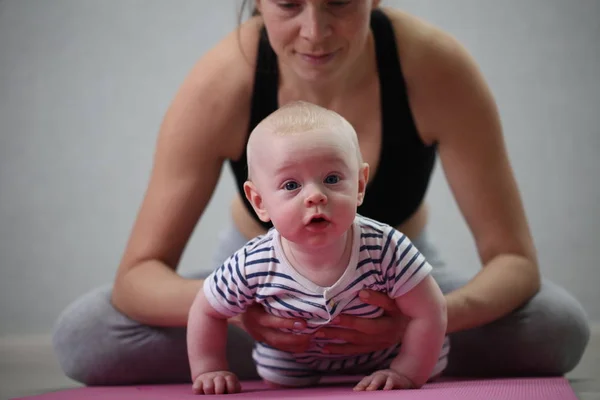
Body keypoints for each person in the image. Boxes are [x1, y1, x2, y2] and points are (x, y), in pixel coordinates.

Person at [52, 1, 590, 386]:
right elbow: (137, 276)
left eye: (339, 1)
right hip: (267, 293)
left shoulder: (435, 68)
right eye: (288, 4)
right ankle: (300, 357)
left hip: (398, 283)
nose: (315, 30)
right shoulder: (221, 83)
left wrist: (420, 319)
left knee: (557, 327)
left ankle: (398, 351)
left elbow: (514, 261)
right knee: (85, 336)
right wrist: (240, 316)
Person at [187, 101, 448, 394]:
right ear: (259, 202)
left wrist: (407, 370)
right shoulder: (253, 261)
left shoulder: (385, 247)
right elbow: (207, 309)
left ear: (360, 185)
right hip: (292, 359)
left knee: (433, 357)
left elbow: (430, 310)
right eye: (290, 185)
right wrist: (210, 368)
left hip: (386, 354)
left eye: (332, 179)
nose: (315, 196)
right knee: (277, 378)